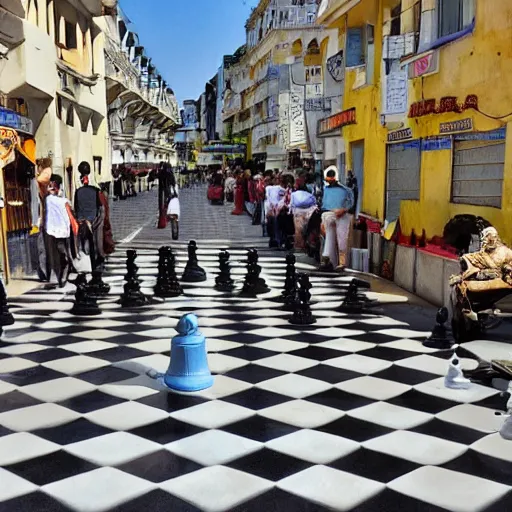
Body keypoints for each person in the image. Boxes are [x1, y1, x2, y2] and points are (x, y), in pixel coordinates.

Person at [320, 166, 354, 271]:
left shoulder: (328, 189)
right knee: (339, 239)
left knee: (335, 239)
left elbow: (324, 204)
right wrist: (343, 210)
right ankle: (336, 262)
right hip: (334, 214)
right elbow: (351, 202)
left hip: (334, 214)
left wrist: (343, 210)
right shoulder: (345, 189)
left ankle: (331, 261)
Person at [44, 175, 77, 287]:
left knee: (58, 255)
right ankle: (62, 277)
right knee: (62, 256)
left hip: (54, 231)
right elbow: (70, 215)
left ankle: (59, 277)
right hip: (60, 232)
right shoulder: (57, 200)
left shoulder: (50, 200)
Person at [290, 177, 317, 250]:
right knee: (308, 229)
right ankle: (307, 243)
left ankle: (299, 246)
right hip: (309, 212)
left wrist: (290, 211)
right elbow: (314, 203)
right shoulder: (310, 195)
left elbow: (291, 204)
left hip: (298, 212)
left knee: (298, 230)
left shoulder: (293, 194)